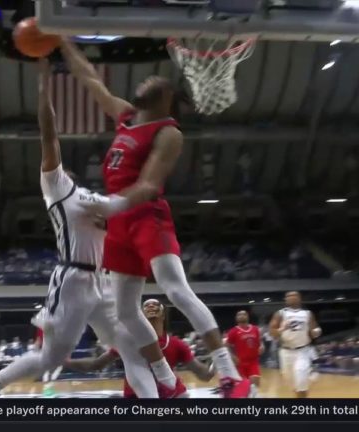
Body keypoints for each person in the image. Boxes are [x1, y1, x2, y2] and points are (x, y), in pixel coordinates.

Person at [59, 39, 249, 397]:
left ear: (167, 97)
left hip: (147, 217)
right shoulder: (127, 116)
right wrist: (63, 43)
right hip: (118, 225)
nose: (145, 81)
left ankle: (229, 374)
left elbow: (148, 185)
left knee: (176, 290)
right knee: (127, 312)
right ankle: (166, 380)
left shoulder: (168, 132)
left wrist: (106, 205)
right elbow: (90, 80)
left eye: (154, 82)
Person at [0, 59, 157, 399]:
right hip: (72, 280)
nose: (62, 169)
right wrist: (44, 88)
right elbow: (49, 134)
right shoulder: (57, 189)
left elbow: (122, 213)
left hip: (103, 282)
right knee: (50, 358)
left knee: (130, 346)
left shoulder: (92, 197)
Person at [66, 299, 214, 398]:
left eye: (155, 304)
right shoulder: (128, 341)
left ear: (164, 314)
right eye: (146, 305)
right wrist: (64, 361)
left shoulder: (177, 344)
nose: (150, 306)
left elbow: (205, 375)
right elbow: (95, 364)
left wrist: (218, 357)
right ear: (140, 315)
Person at [269, 291, 322, 398]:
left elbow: (315, 330)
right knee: (292, 383)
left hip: (302, 351)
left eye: (294, 295)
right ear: (285, 300)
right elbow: (272, 333)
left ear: (299, 298)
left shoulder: (307, 314)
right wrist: (282, 329)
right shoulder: (280, 313)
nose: (291, 297)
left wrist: (316, 332)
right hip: (285, 352)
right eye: (288, 296)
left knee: (301, 380)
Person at [225, 310, 263, 398]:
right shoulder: (233, 331)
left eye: (244, 314)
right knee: (243, 389)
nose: (242, 316)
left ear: (248, 317)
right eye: (239, 314)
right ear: (236, 318)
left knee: (254, 387)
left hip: (253, 362)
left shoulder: (255, 329)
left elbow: (259, 342)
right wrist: (232, 356)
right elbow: (227, 346)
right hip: (240, 363)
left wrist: (262, 346)